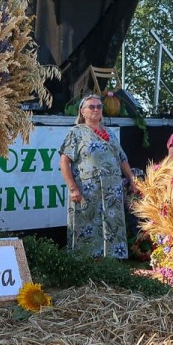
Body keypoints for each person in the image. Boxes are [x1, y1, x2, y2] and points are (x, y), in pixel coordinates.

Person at [60, 93, 140, 259]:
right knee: (87, 226)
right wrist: (73, 188)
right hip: (87, 191)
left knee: (112, 225)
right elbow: (64, 162)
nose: (96, 109)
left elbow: (122, 159)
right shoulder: (76, 133)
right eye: (92, 106)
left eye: (99, 106)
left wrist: (132, 179)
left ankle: (111, 263)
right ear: (82, 111)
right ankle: (86, 263)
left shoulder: (109, 134)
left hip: (112, 191)